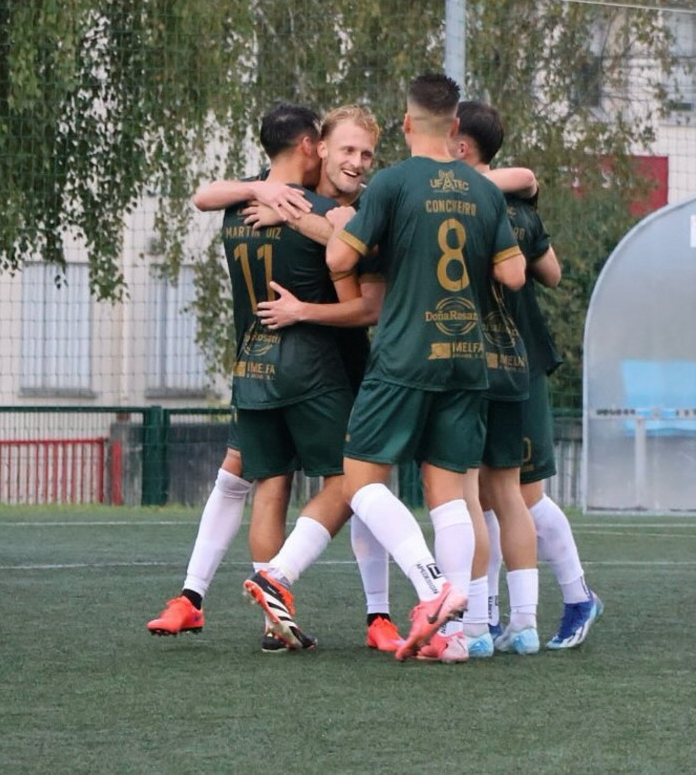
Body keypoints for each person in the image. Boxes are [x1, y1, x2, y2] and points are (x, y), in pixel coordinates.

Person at [148, 104, 401, 652]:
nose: (357, 162)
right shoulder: (291, 199)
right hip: (311, 366)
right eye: (347, 150)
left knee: (262, 479)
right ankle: (272, 599)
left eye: (366, 154)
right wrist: (271, 197)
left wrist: (277, 203)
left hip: (266, 362)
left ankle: (206, 599)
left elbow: (207, 196)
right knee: (348, 480)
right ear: (318, 147)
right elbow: (364, 302)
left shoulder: (316, 205)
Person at [323, 73, 526, 662]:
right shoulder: (485, 191)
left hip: (406, 353)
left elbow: (340, 255)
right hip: (468, 357)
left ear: (408, 124)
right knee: (449, 495)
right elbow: (513, 275)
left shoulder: (390, 183)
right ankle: (457, 638)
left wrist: (367, 237)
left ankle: (436, 589)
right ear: (456, 127)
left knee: (360, 483)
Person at [452, 99, 603, 651]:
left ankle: (576, 595)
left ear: (461, 143)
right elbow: (553, 274)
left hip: (511, 360)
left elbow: (547, 269)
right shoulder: (510, 202)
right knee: (488, 491)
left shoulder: (464, 202)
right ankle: (488, 614)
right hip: (497, 358)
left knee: (520, 491)